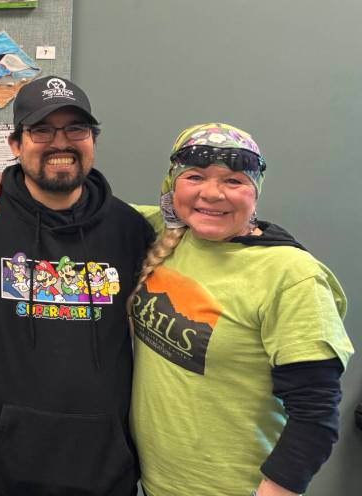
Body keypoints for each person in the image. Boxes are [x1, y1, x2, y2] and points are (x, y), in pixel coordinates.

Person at [0, 76, 153, 496]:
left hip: (105, 470)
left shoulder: (130, 230)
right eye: (42, 130)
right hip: (1, 467)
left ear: (93, 140)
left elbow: (208, 227)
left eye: (75, 130)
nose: (60, 143)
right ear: (15, 144)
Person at [128, 123, 353, 496]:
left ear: (254, 192)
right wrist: (0, 183)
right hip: (155, 485)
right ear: (172, 186)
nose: (212, 194)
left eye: (233, 181)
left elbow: (315, 413)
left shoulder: (291, 276)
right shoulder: (163, 232)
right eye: (195, 176)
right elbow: (75, 204)